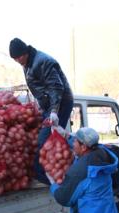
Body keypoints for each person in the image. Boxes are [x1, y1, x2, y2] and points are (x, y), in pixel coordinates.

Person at [9, 38, 74, 184]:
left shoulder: (43, 61)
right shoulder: (27, 63)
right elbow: (39, 89)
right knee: (47, 138)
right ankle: (51, 173)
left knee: (44, 141)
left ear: (24, 52)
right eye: (15, 59)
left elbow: (56, 87)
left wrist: (54, 111)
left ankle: (48, 178)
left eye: (18, 57)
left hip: (61, 103)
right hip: (48, 106)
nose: (17, 61)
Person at [46, 127, 119, 213]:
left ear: (84, 147)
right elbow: (84, 146)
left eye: (75, 141)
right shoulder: (102, 153)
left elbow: (64, 198)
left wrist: (53, 184)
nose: (73, 143)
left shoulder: (80, 171)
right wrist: (67, 136)